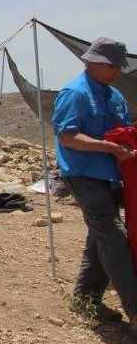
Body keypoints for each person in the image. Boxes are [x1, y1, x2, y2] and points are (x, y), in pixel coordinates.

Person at [53, 37, 137, 327]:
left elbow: (123, 130)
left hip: (113, 176)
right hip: (84, 174)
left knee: (99, 239)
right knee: (114, 237)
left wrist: (126, 144)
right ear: (95, 63)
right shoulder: (74, 93)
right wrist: (110, 148)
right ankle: (136, 310)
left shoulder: (113, 96)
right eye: (113, 66)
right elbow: (68, 137)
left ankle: (85, 299)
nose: (117, 72)